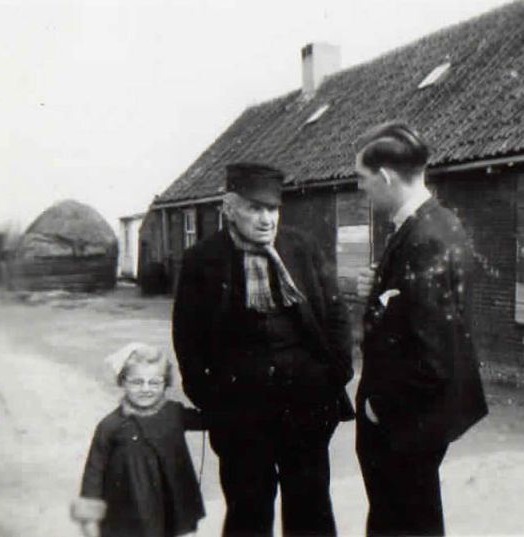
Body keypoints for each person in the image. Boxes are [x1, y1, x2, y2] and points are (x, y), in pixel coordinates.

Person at [172, 162, 354, 537]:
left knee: (311, 507)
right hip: (240, 413)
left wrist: (335, 375)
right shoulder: (202, 260)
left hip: (306, 404)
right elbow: (187, 339)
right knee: (248, 510)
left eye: (272, 209)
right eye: (255, 208)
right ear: (230, 208)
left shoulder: (302, 248)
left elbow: (336, 314)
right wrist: (211, 399)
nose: (266, 219)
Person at [353, 121, 488, 536]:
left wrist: (379, 406)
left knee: (403, 522)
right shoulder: (437, 222)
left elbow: (434, 356)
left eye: (362, 178)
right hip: (418, 422)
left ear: (386, 176)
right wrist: (380, 289)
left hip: (405, 425)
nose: (360, 188)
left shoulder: (423, 238)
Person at [70, 342, 206, 537]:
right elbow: (94, 473)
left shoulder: (174, 414)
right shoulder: (111, 426)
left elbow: (211, 419)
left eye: (155, 382)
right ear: (123, 382)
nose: (146, 389)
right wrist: (90, 519)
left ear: (165, 383)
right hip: (129, 510)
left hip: (172, 508)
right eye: (136, 382)